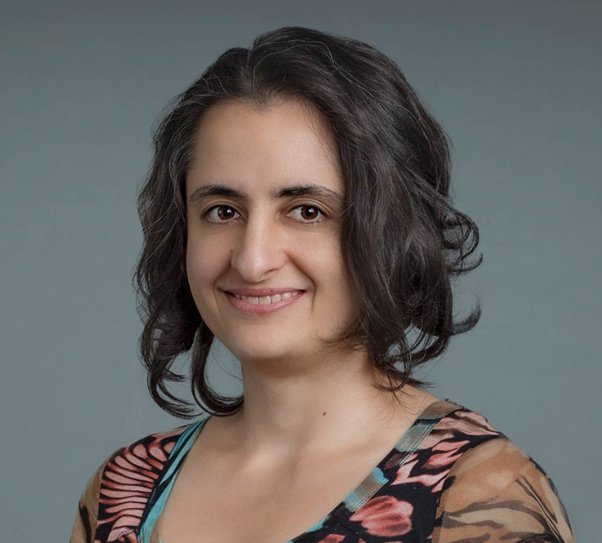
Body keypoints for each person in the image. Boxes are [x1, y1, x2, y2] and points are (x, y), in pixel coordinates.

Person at [70, 26, 576, 543]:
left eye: (307, 211)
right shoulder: (124, 490)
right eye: (222, 211)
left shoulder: (478, 491)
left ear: (393, 232)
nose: (253, 260)